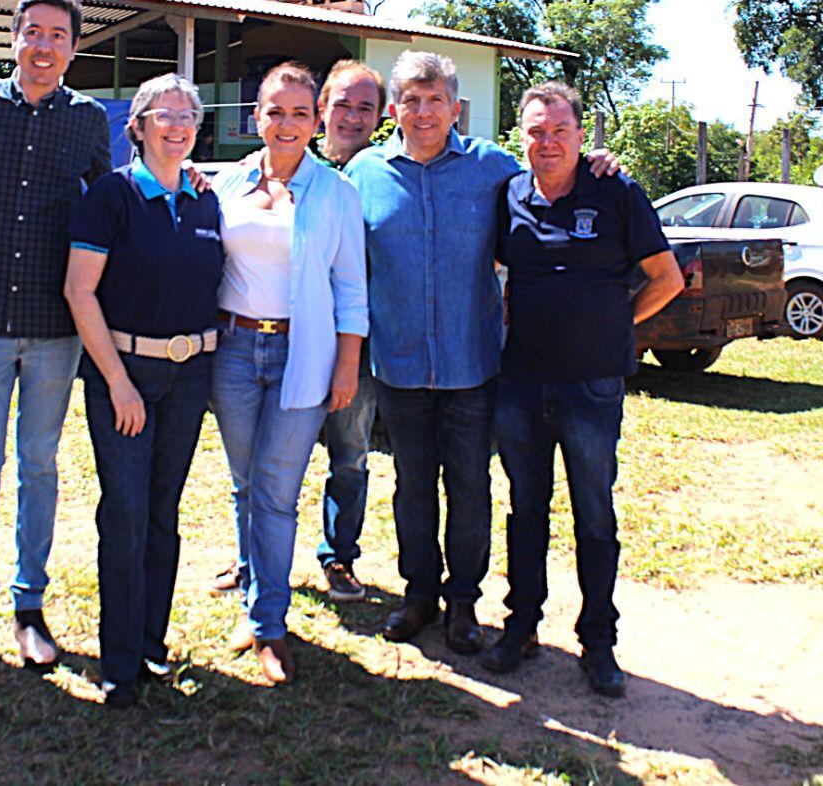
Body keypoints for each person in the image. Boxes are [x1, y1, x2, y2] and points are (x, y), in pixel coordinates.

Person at [344, 52, 619, 656]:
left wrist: (598, 162)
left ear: (455, 107)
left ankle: (464, 601)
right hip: (400, 364)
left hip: (474, 364)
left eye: (435, 99)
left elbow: (554, 173)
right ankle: (419, 593)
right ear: (394, 110)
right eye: (411, 101)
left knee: (469, 485)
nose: (423, 112)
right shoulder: (362, 174)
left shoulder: (492, 168)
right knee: (412, 483)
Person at [0, 0, 111, 689]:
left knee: (38, 467)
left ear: (73, 47)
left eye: (57, 36)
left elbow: (115, 204)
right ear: (14, 39)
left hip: (54, 330)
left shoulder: (90, 122)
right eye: (32, 32)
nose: (43, 47)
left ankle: (29, 607)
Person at [482, 83, 682, 695]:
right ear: (523, 136)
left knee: (594, 515)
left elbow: (667, 278)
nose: (547, 143)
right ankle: (521, 627)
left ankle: (599, 642)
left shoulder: (615, 191)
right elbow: (491, 272)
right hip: (520, 384)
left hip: (592, 390)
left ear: (580, 134)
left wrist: (619, 325)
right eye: (536, 132)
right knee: (526, 511)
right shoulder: (509, 195)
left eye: (559, 131)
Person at [62, 74, 223, 709]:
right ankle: (119, 661)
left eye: (189, 116)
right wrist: (118, 383)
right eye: (166, 115)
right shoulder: (112, 196)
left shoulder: (206, 197)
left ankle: (153, 643)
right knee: (124, 513)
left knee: (163, 511)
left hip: (188, 381)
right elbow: (81, 291)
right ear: (138, 125)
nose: (179, 126)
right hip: (123, 378)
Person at [210, 61, 367, 686]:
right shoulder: (225, 183)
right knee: (245, 483)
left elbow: (352, 285)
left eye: (301, 113)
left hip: (302, 355)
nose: (287, 123)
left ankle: (269, 624)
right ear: (257, 116)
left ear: (317, 119)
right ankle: (254, 590)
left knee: (275, 490)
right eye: (276, 111)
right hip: (232, 352)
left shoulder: (336, 192)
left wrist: (348, 362)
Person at [310, 60, 384, 601]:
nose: (352, 117)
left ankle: (339, 557)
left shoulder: (390, 172)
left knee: (350, 456)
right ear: (321, 109)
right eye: (343, 104)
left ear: (380, 117)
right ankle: (252, 559)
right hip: (291, 342)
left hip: (360, 347)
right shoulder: (291, 167)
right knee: (269, 460)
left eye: (365, 107)